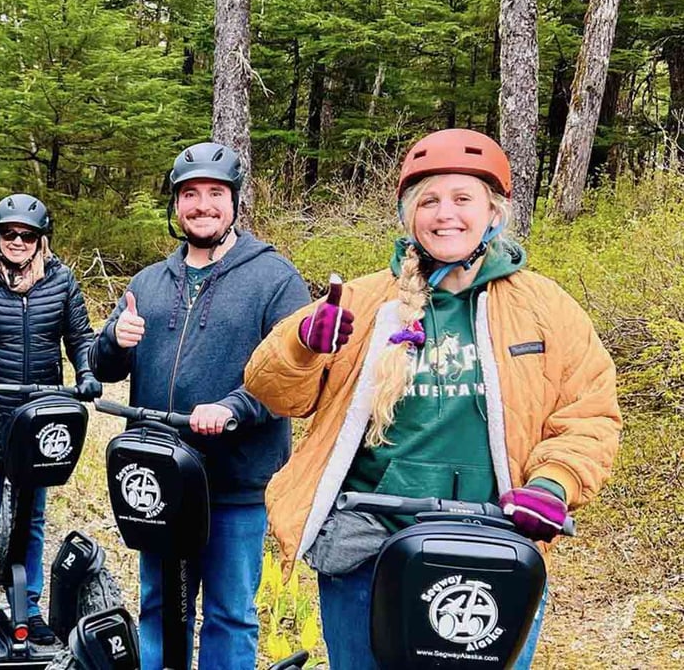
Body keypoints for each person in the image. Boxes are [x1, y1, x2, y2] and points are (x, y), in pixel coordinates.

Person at [243, 129, 622, 670]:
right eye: (429, 200)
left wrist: (552, 484)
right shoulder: (363, 299)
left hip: (495, 542)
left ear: (494, 213)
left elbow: (589, 413)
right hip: (367, 543)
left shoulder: (544, 307)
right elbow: (271, 389)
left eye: (463, 199)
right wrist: (302, 346)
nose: (446, 214)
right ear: (408, 216)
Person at [88, 142, 311, 670]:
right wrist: (116, 339)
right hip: (159, 478)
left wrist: (234, 408)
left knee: (230, 613)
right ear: (176, 205)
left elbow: (294, 373)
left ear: (234, 203)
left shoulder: (274, 279)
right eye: (190, 194)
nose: (202, 205)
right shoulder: (149, 282)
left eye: (215, 193)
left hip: (237, 481)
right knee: (160, 604)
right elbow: (104, 367)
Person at [0, 193, 103, 647]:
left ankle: (26, 605)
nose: (17, 241)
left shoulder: (62, 281)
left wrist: (86, 372)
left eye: (26, 235)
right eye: (9, 234)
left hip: (41, 415)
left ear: (40, 240)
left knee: (32, 517)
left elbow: (80, 337)